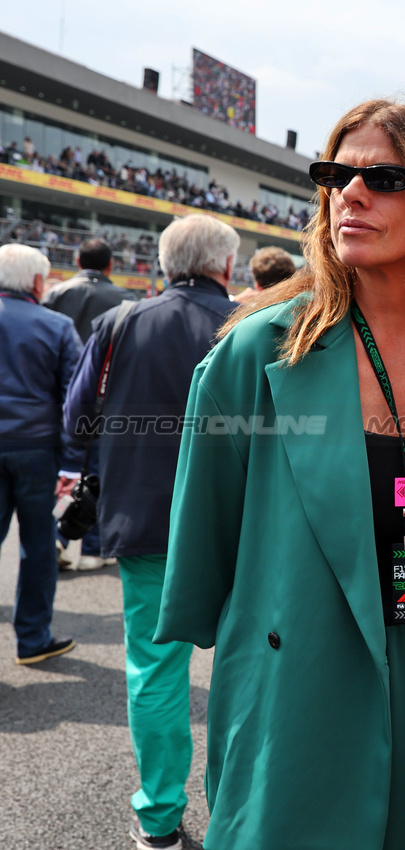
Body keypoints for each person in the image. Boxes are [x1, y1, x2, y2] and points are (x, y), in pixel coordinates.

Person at [154, 100, 405, 850]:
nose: (349, 194)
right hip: (305, 672)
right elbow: (206, 536)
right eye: (337, 174)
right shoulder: (256, 355)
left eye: (383, 178)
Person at [63, 214, 238, 849]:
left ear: (165, 264)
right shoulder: (251, 324)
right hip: (243, 526)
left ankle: (159, 816)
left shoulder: (120, 323)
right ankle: (238, 814)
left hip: (145, 522)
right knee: (247, 671)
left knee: (155, 672)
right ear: (225, 267)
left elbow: (77, 418)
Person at [0, 244, 80, 665]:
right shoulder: (58, 326)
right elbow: (75, 400)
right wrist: (72, 460)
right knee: (38, 544)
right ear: (36, 282)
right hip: (36, 450)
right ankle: (32, 641)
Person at [41, 236, 139, 571]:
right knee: (98, 475)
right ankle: (94, 549)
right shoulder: (126, 300)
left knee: (62, 472)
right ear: (110, 266)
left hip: (55, 399)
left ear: (79, 263)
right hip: (105, 400)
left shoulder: (55, 294)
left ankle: (58, 535)